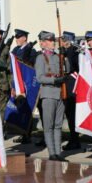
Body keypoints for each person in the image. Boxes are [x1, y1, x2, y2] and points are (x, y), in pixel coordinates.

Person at [34, 31, 69, 162]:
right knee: (48, 126)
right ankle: (52, 153)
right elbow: (39, 78)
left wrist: (65, 57)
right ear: (43, 43)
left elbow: (67, 70)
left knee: (58, 125)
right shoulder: (40, 58)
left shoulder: (58, 57)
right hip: (48, 94)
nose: (52, 43)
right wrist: (54, 80)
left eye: (53, 40)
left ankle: (58, 153)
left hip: (60, 94)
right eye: (49, 41)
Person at [11, 28, 37, 144]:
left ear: (24, 38)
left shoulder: (32, 51)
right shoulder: (15, 50)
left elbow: (31, 65)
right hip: (17, 82)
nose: (16, 39)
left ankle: (27, 134)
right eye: (16, 37)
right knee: (19, 109)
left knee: (27, 109)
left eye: (18, 37)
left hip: (27, 84)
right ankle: (22, 133)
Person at [60, 31, 81, 151]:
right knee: (69, 114)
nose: (62, 42)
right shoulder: (64, 51)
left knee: (72, 114)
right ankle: (74, 139)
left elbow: (73, 67)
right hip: (65, 85)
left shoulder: (74, 51)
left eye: (64, 40)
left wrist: (67, 53)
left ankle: (74, 140)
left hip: (72, 85)